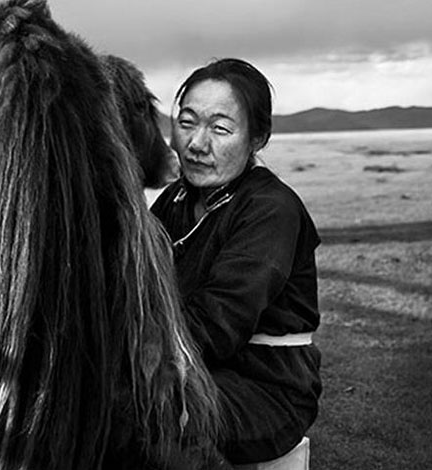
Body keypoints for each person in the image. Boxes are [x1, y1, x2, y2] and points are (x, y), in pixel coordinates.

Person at [150, 58, 322, 465]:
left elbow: (216, 323)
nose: (196, 144)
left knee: (137, 413)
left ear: (257, 138)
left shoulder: (270, 209)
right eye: (187, 122)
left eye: (221, 128)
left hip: (266, 388)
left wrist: (130, 357)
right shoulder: (175, 201)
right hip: (192, 367)